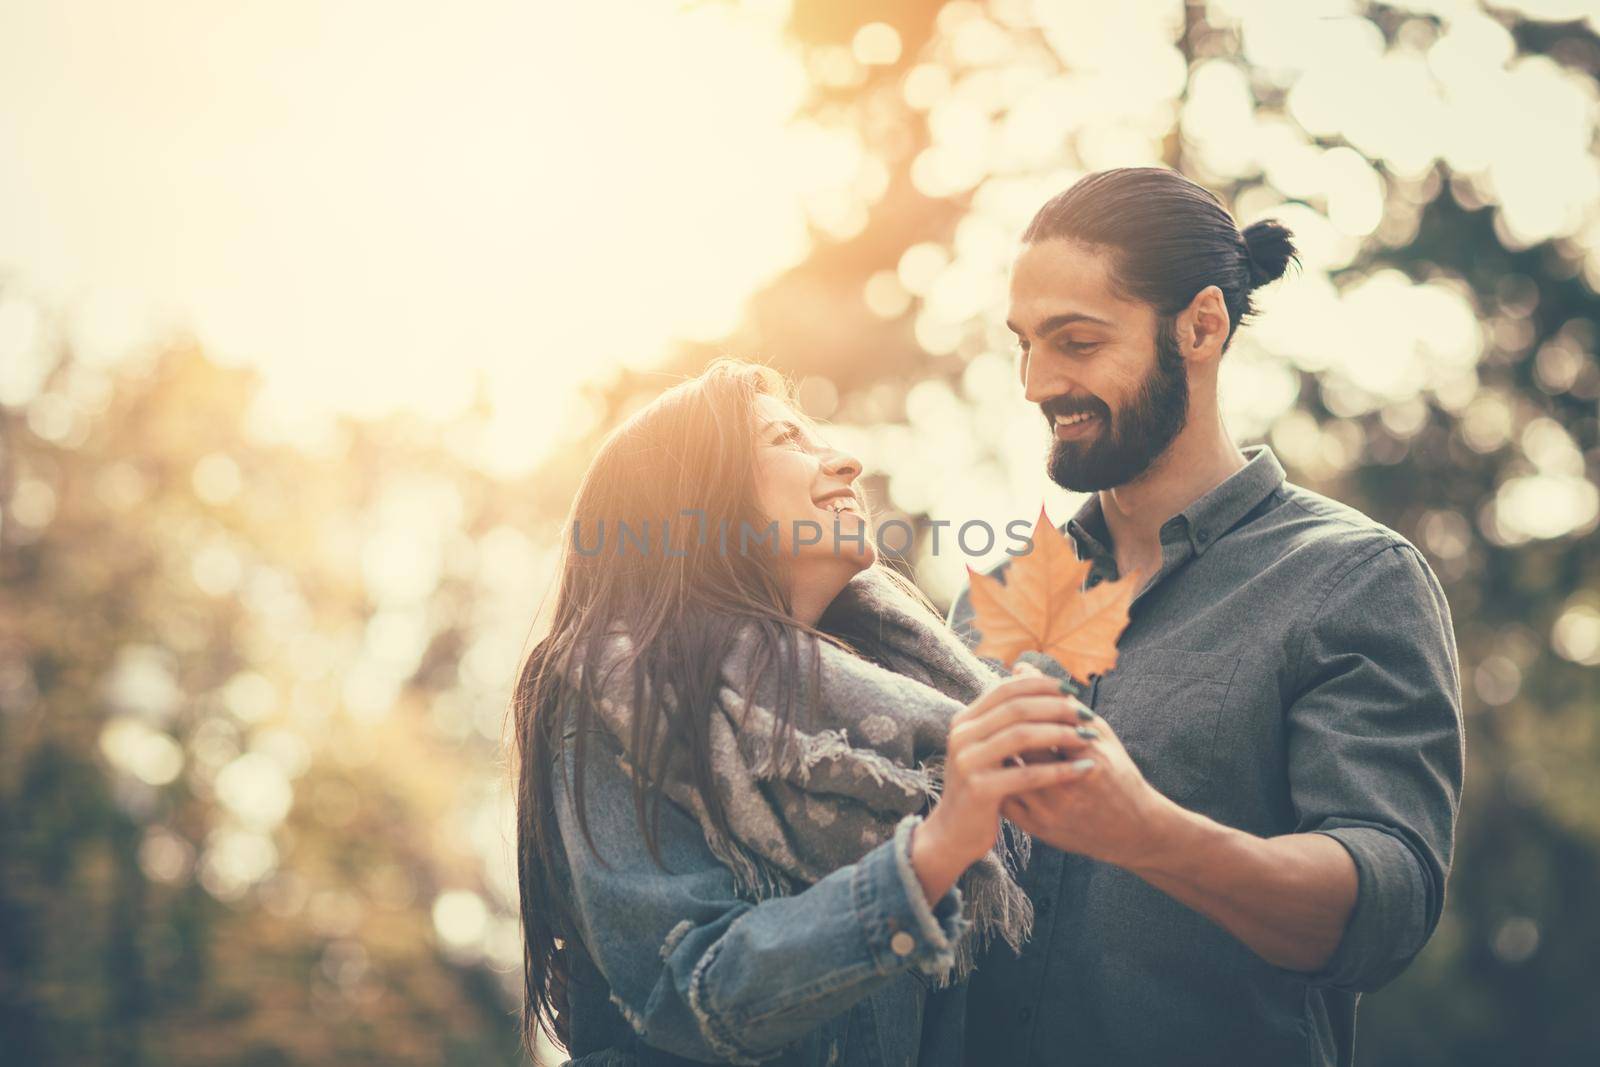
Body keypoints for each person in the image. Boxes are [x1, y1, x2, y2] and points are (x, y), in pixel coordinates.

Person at [948, 167, 1465, 1067]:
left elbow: (1386, 907)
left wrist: (1147, 831)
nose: (1035, 383)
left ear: (1200, 326)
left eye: (1075, 341)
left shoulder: (1352, 579)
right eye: (1024, 344)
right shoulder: (992, 592)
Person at [511, 360, 1098, 1066]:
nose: (846, 460)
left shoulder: (909, 697)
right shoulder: (611, 693)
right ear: (695, 501)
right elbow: (688, 990)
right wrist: (933, 855)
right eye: (788, 439)